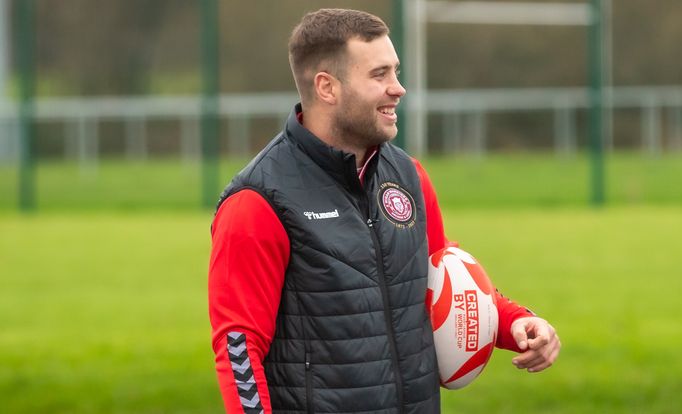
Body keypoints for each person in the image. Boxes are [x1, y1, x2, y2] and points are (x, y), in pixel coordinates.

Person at [208, 8, 560, 414]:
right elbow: (239, 349)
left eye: (395, 71)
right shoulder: (257, 201)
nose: (399, 88)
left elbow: (443, 276)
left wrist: (517, 323)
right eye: (380, 75)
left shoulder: (408, 176)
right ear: (327, 87)